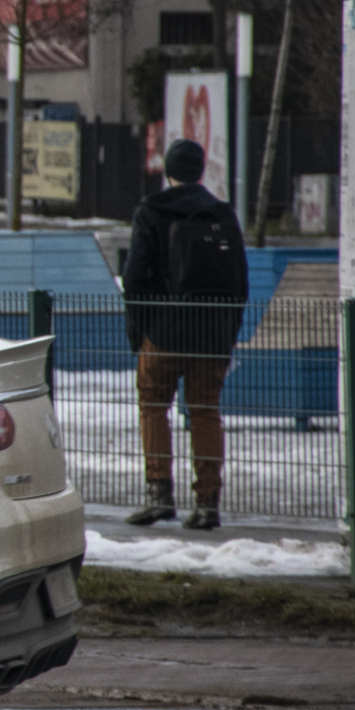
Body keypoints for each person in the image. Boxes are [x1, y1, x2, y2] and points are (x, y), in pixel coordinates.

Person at [122, 137, 249, 529]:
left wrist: (141, 332)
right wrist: (227, 333)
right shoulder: (223, 213)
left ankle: (159, 494)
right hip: (212, 334)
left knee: (153, 405)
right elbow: (240, 281)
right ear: (201, 171)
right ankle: (208, 503)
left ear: (168, 170)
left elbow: (135, 278)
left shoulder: (151, 211)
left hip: (164, 331)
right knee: (206, 411)